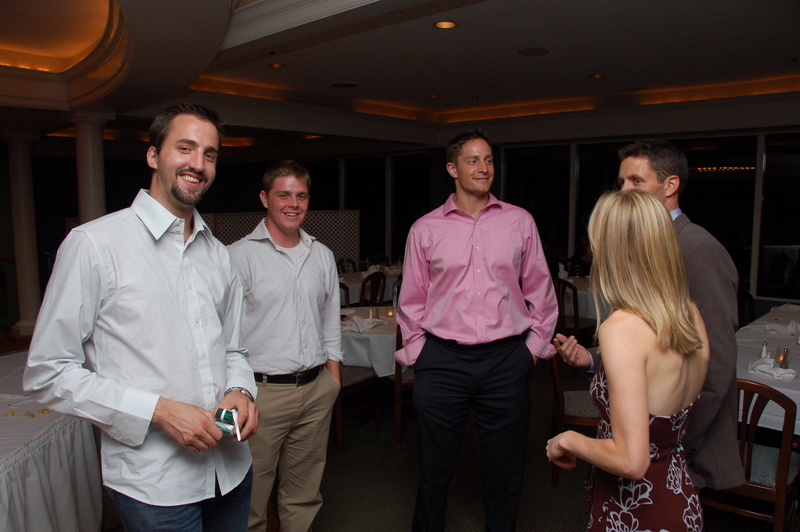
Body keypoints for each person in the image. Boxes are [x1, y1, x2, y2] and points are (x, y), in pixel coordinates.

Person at [23, 103, 258, 531]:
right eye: (185, 148)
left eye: (209, 154)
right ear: (153, 155)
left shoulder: (219, 256)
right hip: (156, 487)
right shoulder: (95, 245)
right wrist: (159, 410)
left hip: (232, 471)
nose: (198, 164)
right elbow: (47, 372)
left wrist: (241, 390)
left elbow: (234, 349)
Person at [553, 139, 744, 491]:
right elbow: (651, 345)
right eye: (621, 182)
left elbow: (716, 365)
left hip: (675, 451)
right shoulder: (640, 252)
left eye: (636, 181)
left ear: (670, 185)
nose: (625, 191)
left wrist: (674, 442)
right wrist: (592, 359)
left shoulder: (699, 249)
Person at [396, 129, 558, 531]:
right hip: (441, 360)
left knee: (505, 472)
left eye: (488, 159)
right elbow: (412, 300)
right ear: (453, 169)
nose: (483, 168)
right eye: (473, 160)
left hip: (506, 361)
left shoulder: (519, 221)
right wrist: (420, 354)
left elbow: (540, 289)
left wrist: (532, 351)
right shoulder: (425, 229)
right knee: (433, 472)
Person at [547, 189, 710, 530]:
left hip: (638, 509)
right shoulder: (690, 313)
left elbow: (631, 461)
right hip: (679, 497)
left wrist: (567, 439)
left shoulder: (621, 327)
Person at [227, 160, 343, 532]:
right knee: (249, 497)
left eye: (301, 196)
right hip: (260, 394)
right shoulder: (238, 256)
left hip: (315, 389)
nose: (293, 204)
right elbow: (225, 334)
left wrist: (333, 380)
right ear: (265, 198)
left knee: (304, 494)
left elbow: (330, 320)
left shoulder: (321, 254)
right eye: (284, 195)